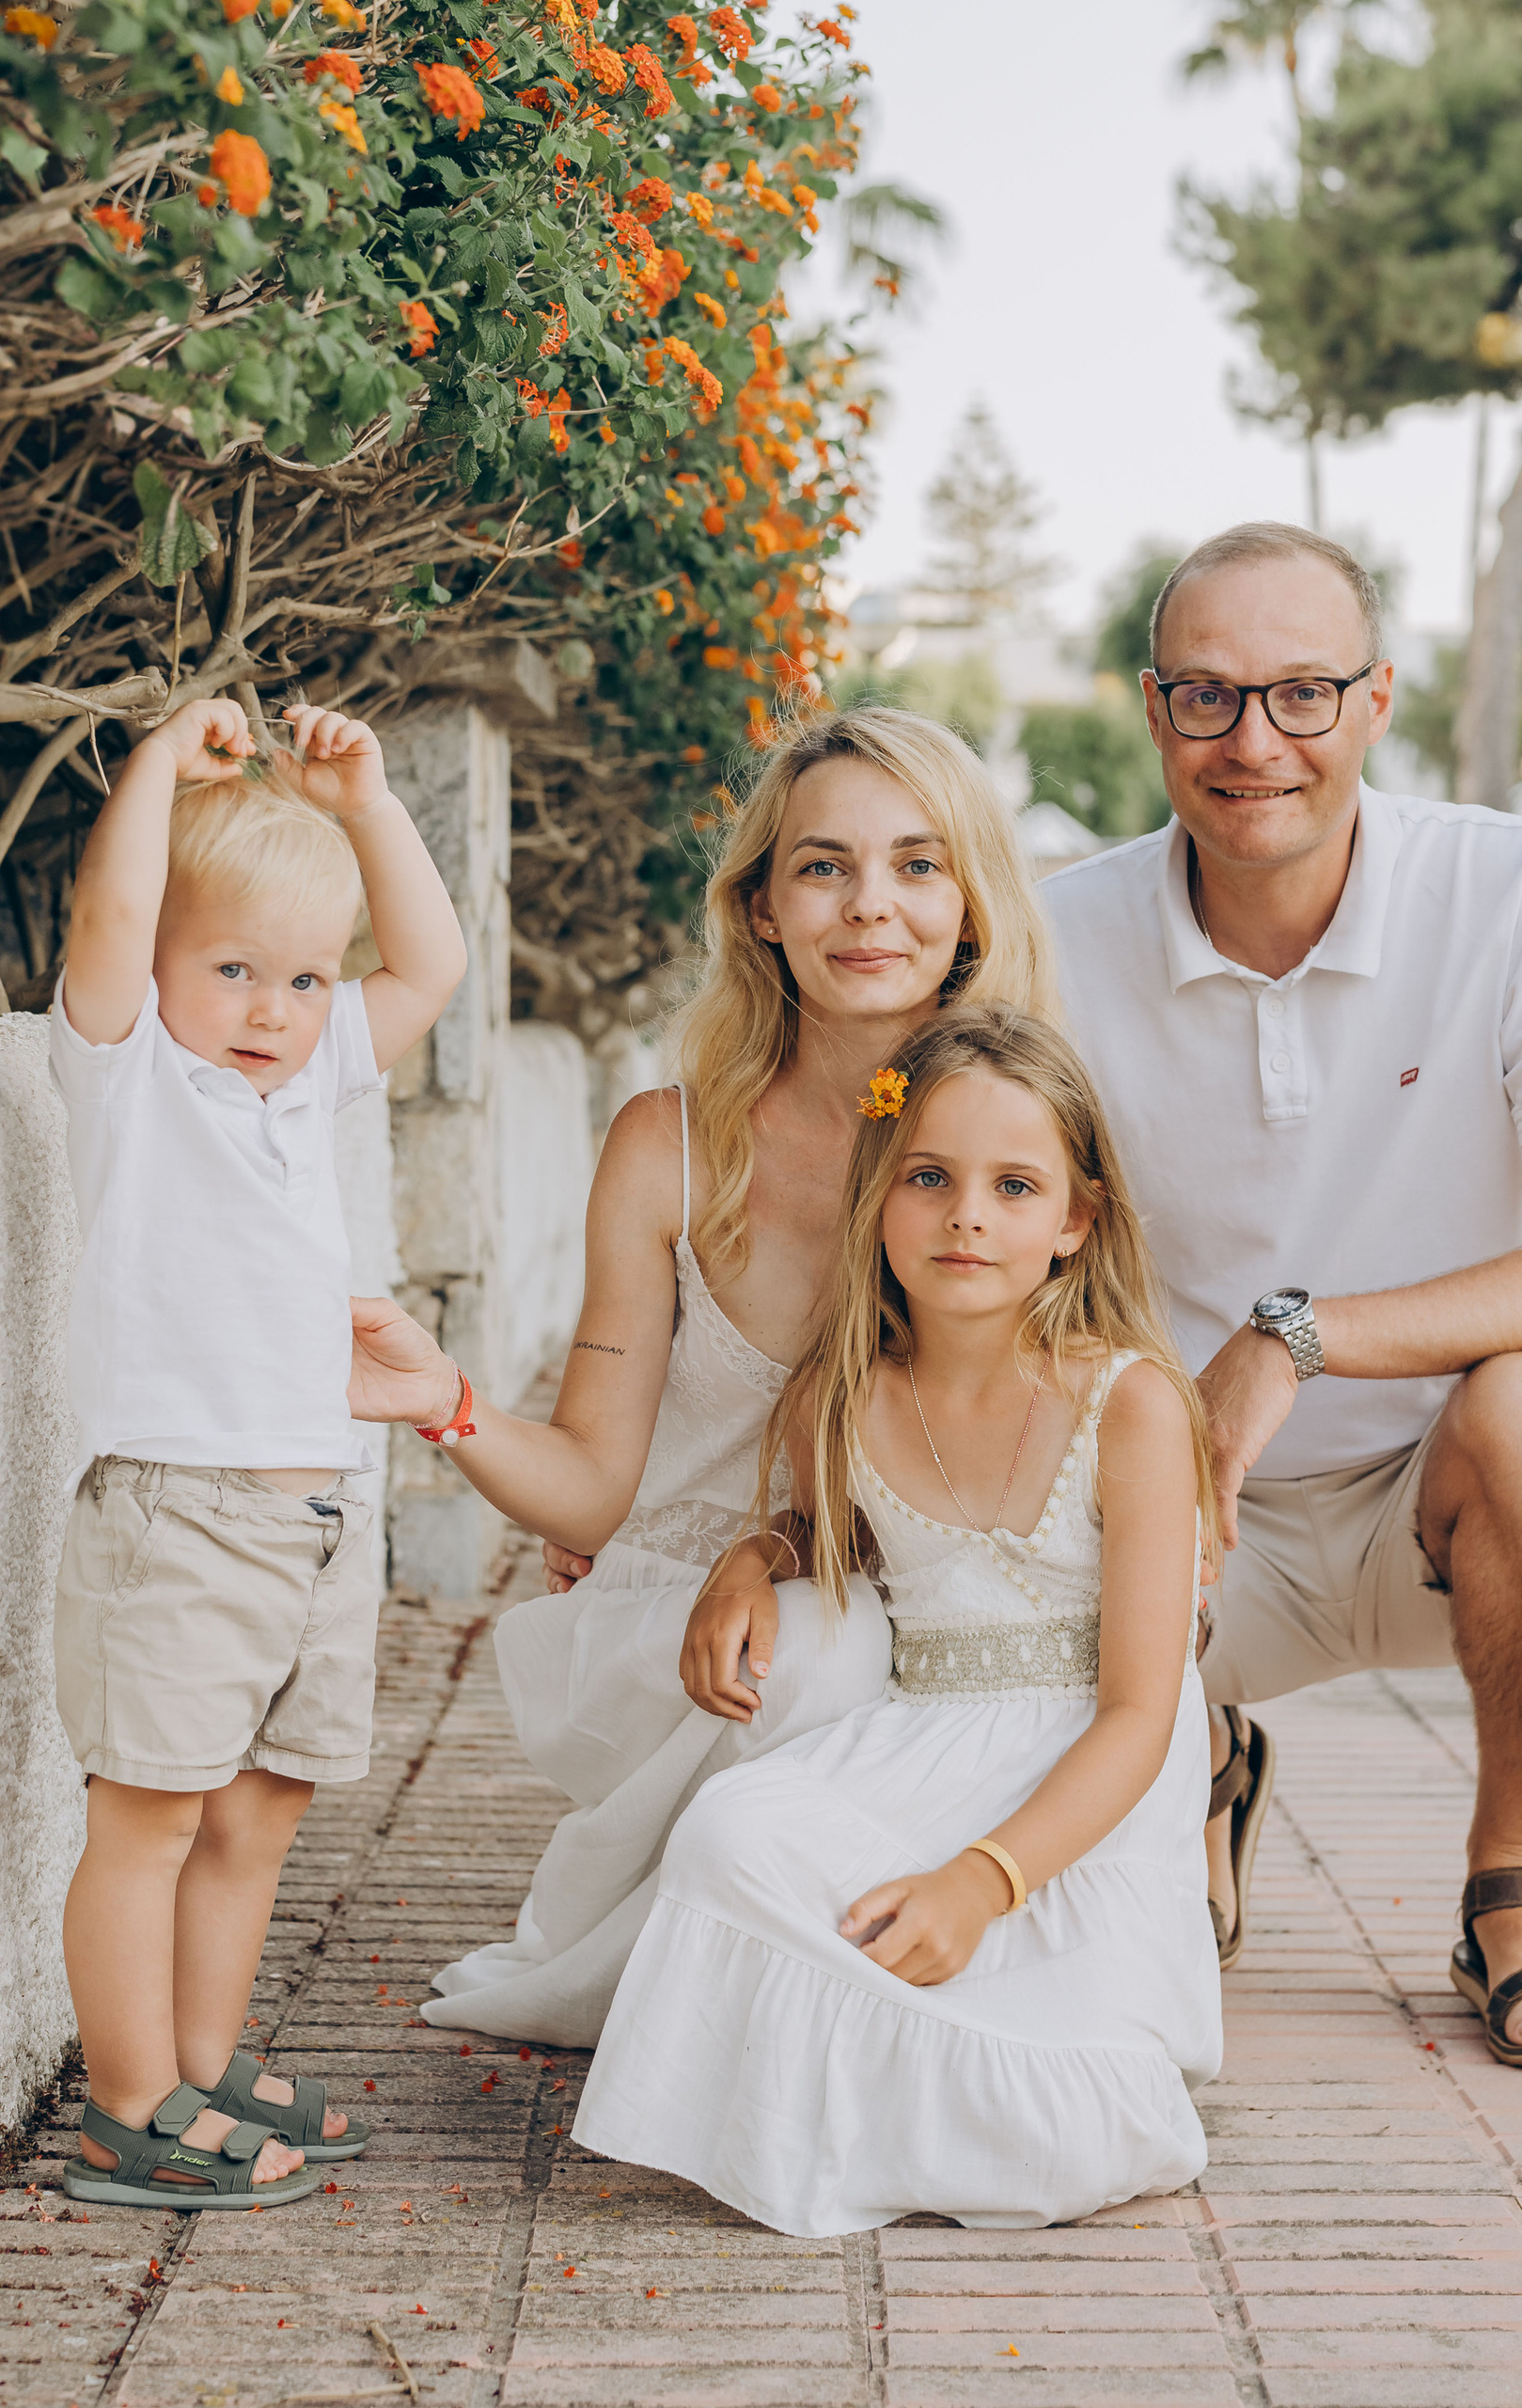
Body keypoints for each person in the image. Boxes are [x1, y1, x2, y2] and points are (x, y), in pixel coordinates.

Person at [1047, 520, 1522, 2070]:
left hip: (1437, 1503)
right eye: (1206, 696)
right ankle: (1192, 1769)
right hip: (1175, 1512)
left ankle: (1513, 1885)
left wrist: (1295, 1338)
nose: (1253, 741)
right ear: (1153, 711)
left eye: (1302, 694)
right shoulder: (1053, 938)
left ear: (1377, 703)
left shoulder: (1521, 887)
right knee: (1125, 1978)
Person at [348, 706, 1061, 2049]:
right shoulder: (668, 1147)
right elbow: (593, 1489)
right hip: (700, 1629)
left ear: (972, 906)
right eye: (823, 866)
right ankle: (736, 1987)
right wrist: (441, 1398)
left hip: (917, 1599)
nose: (872, 907)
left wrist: (791, 1543)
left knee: (920, 1653)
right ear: (761, 910)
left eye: (920, 865)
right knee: (826, 1652)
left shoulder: (1017, 1151)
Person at [567, 1006, 1222, 2235]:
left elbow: (1143, 1712)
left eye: (1015, 1185)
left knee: (1083, 2114)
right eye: (929, 1177)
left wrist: (984, 1882)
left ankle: (896, 2073)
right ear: (878, 1198)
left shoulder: (1130, 1405)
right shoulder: (846, 1393)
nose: (968, 1215)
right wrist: (753, 1557)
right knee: (729, 1837)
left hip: (1087, 1773)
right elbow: (831, 1538)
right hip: (920, 1738)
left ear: (1075, 1222)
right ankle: (882, 2075)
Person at [48, 698, 466, 2207]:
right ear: (161, 966)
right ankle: (126, 2103)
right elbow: (111, 907)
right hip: (178, 1506)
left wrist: (366, 803)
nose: (272, 1007)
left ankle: (203, 2063)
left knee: (261, 1802)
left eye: (300, 979)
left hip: (315, 1511)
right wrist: (157, 765)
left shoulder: (312, 1085)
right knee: (151, 1814)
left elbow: (432, 965)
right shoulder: (134, 1080)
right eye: (232, 969)